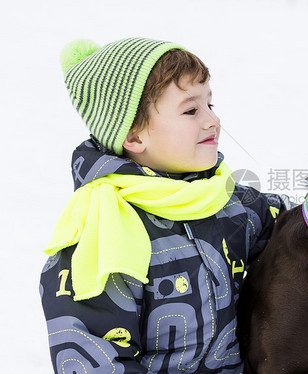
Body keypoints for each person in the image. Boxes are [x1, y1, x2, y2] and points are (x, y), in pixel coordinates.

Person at [40, 37, 290, 373]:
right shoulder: (103, 232)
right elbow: (94, 356)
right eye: (191, 110)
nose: (211, 121)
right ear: (134, 137)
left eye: (209, 105)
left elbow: (306, 227)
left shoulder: (228, 202)